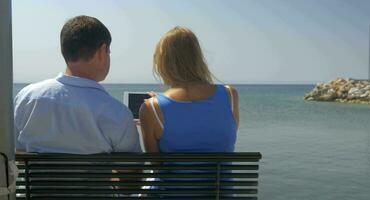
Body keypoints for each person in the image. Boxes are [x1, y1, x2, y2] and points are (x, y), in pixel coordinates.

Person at [14, 15, 141, 154]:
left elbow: (17, 151)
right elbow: (131, 171)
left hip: (36, 176)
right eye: (108, 52)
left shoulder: (27, 98)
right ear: (102, 52)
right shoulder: (117, 112)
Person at [140, 26, 239, 154]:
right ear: (197, 57)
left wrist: (155, 105)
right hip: (218, 175)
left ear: (164, 62)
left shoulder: (151, 109)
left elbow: (155, 163)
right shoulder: (230, 95)